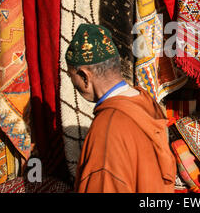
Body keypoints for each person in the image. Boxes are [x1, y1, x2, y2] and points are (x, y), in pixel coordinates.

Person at [65, 24, 176, 192]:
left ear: (84, 76)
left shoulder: (106, 131)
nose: (73, 84)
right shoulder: (145, 100)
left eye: (71, 76)